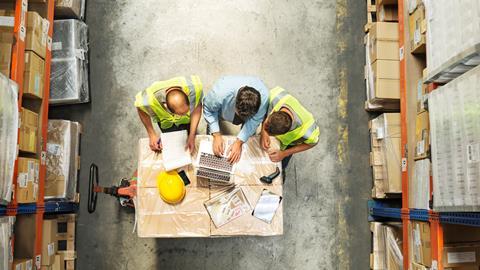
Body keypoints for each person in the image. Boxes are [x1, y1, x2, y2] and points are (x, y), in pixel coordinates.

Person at [203, 76, 269, 163]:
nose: (242, 118)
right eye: (240, 114)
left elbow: (254, 121)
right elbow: (208, 109)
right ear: (235, 102)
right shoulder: (219, 93)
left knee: (248, 136)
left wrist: (239, 142)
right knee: (213, 126)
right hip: (223, 110)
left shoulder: (264, 98)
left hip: (247, 112)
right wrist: (216, 134)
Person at [135, 75, 203, 152]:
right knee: (172, 140)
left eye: (186, 111)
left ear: (187, 95)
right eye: (180, 114)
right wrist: (151, 134)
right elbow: (140, 109)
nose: (185, 115)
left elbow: (196, 108)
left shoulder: (194, 90)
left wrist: (192, 135)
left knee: (189, 130)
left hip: (185, 122)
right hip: (166, 122)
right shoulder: (147, 100)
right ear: (166, 106)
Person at [260, 86, 319, 169]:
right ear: (275, 111)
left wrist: (284, 153)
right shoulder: (275, 96)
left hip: (287, 146)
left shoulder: (308, 131)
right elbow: (263, 112)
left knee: (280, 165)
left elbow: (313, 143)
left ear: (285, 133)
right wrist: (263, 132)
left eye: (272, 134)